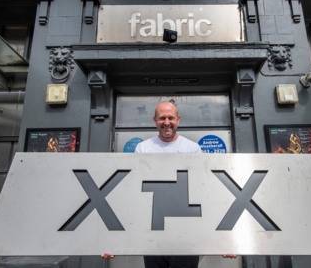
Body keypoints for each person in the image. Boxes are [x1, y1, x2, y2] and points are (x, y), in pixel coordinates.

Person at [101, 102, 236, 267]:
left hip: (186, 231)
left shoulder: (193, 149)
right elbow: (131, 194)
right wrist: (113, 241)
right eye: (162, 118)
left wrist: (224, 241)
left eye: (170, 118)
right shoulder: (143, 149)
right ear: (154, 120)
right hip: (153, 230)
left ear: (178, 119)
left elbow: (203, 193)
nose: (166, 122)